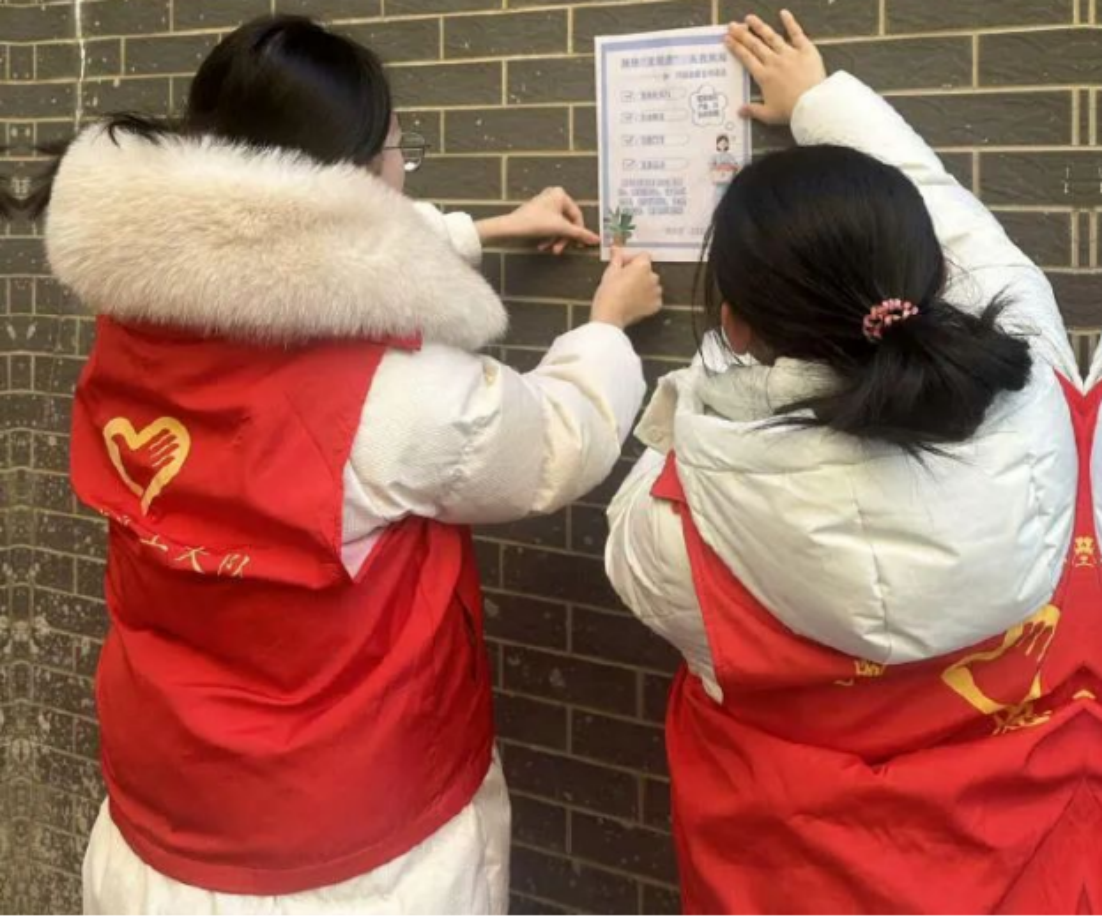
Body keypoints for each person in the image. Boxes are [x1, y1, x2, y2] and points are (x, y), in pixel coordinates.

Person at [38, 15, 662, 917]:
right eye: (399, 150)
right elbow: (554, 444)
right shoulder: (392, 393)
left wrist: (488, 229)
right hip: (357, 855)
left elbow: (274, 252)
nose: (404, 172)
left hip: (159, 817)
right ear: (358, 173)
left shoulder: (135, 325)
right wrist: (606, 327)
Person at [606, 11, 1098, 915]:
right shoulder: (1039, 367)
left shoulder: (682, 531)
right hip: (1035, 865)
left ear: (734, 322)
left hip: (789, 879)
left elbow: (629, 524)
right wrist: (821, 102)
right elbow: (948, 206)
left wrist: (700, 396)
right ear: (928, 277)